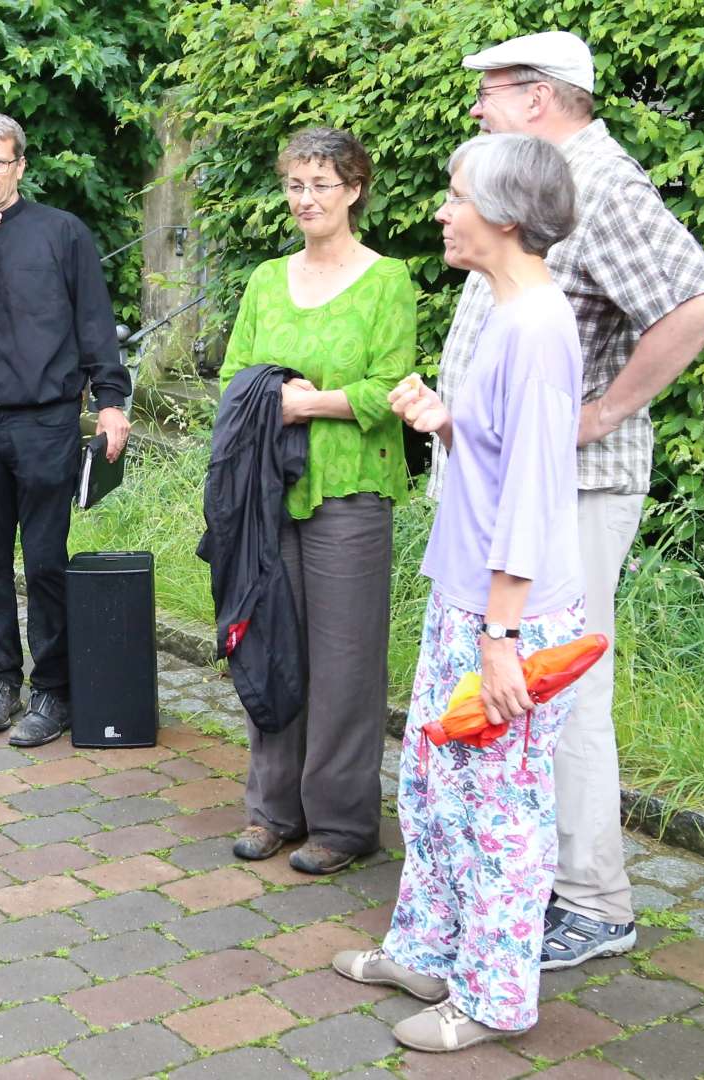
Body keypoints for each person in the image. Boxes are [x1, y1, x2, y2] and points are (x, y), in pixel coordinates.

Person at [434, 32, 704, 968]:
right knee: (537, 685)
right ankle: (534, 879)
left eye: (489, 92)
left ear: (537, 96)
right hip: (523, 487)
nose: (477, 106)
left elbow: (696, 300)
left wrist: (604, 412)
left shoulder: (600, 183)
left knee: (560, 686)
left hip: (573, 489)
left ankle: (594, 901)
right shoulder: (538, 179)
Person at [335, 133, 584, 1052]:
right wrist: (445, 421)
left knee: (501, 809)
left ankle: (493, 997)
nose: (442, 211)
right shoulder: (501, 307)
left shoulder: (538, 326)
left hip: (507, 615)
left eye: (456, 196)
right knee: (436, 784)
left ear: (508, 217)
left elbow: (532, 491)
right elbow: (499, 452)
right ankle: (431, 952)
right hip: (471, 599)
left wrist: (500, 635)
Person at [219, 126, 416, 875]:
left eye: (322, 185)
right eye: (296, 185)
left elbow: (391, 389)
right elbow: (237, 373)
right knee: (271, 644)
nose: (306, 199)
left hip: (351, 493)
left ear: (355, 189)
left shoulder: (386, 280)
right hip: (271, 491)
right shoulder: (268, 279)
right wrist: (270, 395)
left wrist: (307, 404)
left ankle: (341, 822)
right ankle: (273, 810)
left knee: (343, 662)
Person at [0, 112, 131, 748]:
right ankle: (0, 681)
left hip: (46, 421)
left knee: (43, 561)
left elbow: (96, 324)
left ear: (20, 167)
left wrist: (112, 402)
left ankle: (53, 691)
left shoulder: (62, 233)